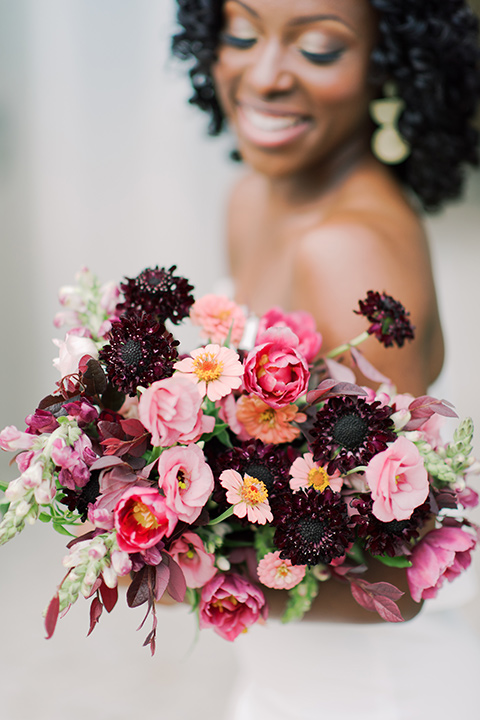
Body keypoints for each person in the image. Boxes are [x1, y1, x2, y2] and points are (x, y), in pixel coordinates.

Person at [173, 1, 480, 717]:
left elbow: (404, 576)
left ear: (392, 66)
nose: (265, 74)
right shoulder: (253, 201)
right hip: (282, 679)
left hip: (375, 692)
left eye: (317, 49)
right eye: (241, 35)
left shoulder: (351, 249)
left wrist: (167, 556)